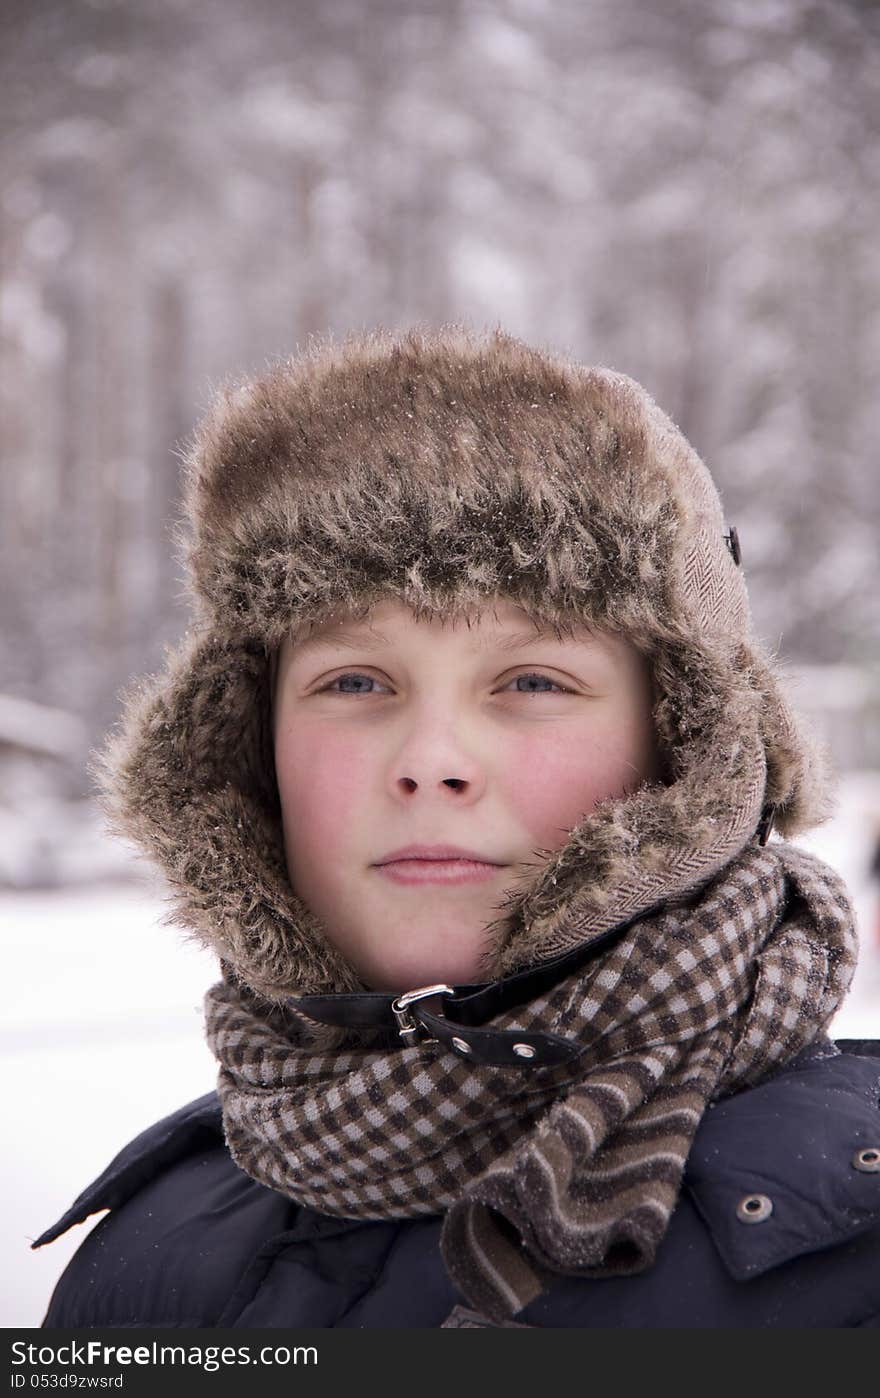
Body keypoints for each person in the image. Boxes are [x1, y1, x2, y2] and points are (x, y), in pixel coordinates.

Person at [33, 325, 880, 1328]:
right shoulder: (143, 1257)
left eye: (531, 680)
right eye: (353, 680)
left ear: (686, 748)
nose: (429, 759)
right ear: (246, 750)